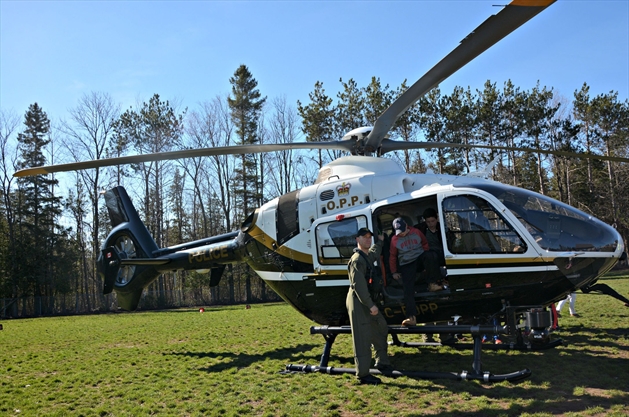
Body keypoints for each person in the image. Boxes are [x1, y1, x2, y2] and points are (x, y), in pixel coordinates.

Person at [346, 227, 392, 385]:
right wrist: (371, 305)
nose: (367, 239)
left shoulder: (366, 256)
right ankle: (363, 374)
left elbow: (374, 251)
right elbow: (359, 287)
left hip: (367, 300)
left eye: (369, 237)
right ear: (357, 239)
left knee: (381, 327)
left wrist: (380, 241)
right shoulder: (357, 260)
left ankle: (382, 361)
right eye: (364, 237)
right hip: (359, 302)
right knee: (362, 338)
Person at [389, 217, 441, 327]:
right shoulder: (394, 239)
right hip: (406, 264)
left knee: (431, 255)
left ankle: (433, 284)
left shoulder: (416, 232)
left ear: (407, 226)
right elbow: (392, 256)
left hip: (419, 259)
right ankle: (411, 317)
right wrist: (394, 272)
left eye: (402, 231)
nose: (401, 234)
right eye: (399, 232)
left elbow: (425, 244)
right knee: (408, 289)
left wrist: (427, 264)